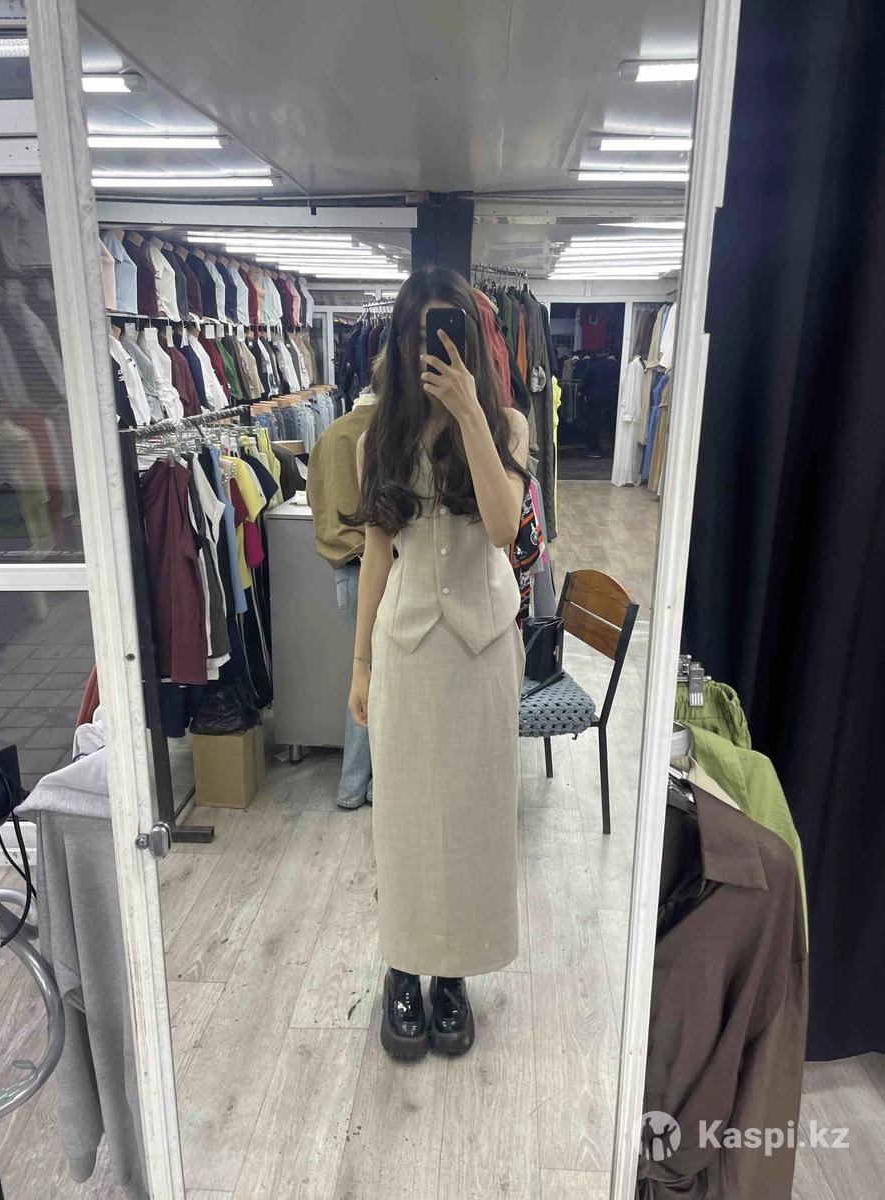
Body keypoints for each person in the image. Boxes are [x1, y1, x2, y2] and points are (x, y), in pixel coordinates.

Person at [343, 266, 529, 1060]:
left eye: (447, 329)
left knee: (477, 819)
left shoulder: (508, 426)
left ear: (472, 340)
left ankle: (453, 975)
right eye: (422, 332)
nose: (435, 345)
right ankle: (403, 967)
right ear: (402, 341)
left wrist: (471, 415)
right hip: (407, 651)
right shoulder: (376, 435)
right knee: (406, 822)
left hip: (483, 651)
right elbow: (375, 555)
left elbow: (502, 527)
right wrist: (359, 665)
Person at [306, 385, 379, 808]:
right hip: (377, 569)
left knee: (366, 679)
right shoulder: (387, 431)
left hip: (343, 571)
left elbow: (314, 498)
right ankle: (364, 785)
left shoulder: (330, 434)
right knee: (379, 682)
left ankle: (355, 785)